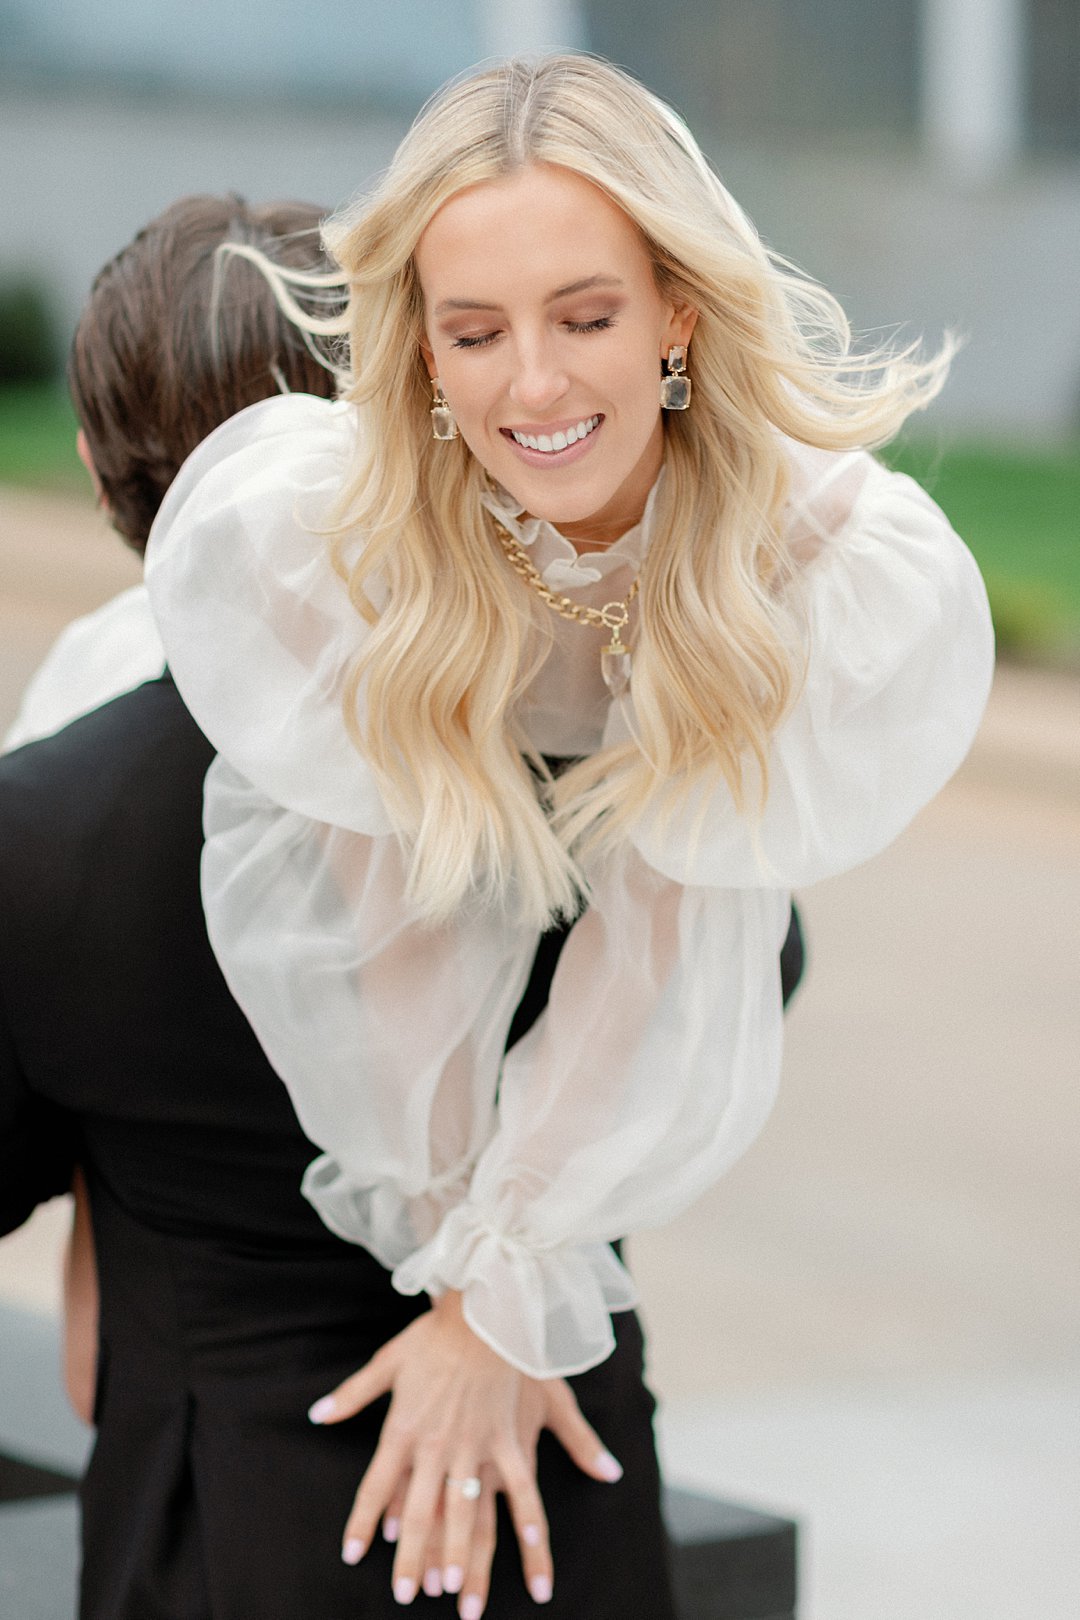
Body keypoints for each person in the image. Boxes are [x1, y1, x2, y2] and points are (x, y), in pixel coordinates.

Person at [141, 53, 994, 1617]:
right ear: (422, 347)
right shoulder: (333, 538)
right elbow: (384, 924)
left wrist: (504, 1298)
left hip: (589, 1147)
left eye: (585, 316)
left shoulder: (812, 569)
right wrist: (464, 1277)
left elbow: (667, 936)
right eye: (475, 332)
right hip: (353, 1211)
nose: (532, 386)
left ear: (676, 311)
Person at [4, 187, 797, 1619]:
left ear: (100, 475)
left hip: (229, 1535)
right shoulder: (607, 747)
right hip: (564, 1514)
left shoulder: (51, 829)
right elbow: (754, 972)